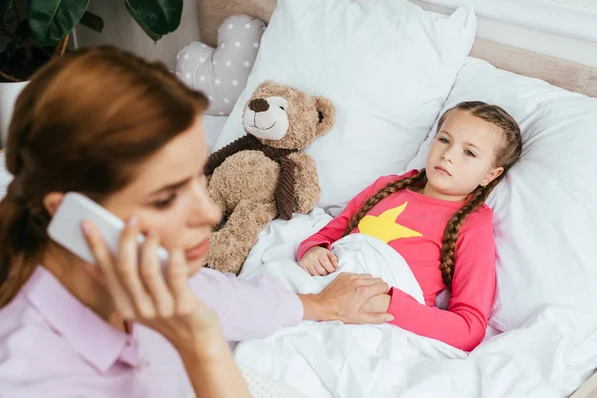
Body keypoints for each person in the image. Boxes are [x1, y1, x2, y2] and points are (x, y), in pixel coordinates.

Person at [0, 46, 393, 398]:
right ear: (70, 215)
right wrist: (203, 349)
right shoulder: (31, 377)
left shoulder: (152, 274)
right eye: (167, 196)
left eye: (197, 178)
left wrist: (319, 303)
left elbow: (228, 299)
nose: (207, 213)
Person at [298, 101, 523, 352]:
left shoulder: (473, 224)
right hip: (321, 286)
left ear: (489, 175)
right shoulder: (388, 186)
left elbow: (469, 328)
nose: (448, 155)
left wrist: (389, 304)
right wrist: (313, 249)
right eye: (444, 140)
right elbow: (330, 233)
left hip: (371, 315)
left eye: (469, 152)